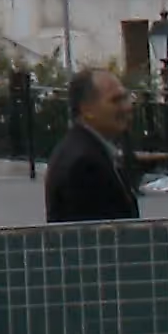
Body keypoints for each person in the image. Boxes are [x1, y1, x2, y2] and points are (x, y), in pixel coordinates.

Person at [45, 66, 140, 222]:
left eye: (126, 97)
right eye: (116, 100)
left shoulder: (83, 148)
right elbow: (96, 238)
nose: (127, 106)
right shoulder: (84, 164)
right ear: (87, 109)